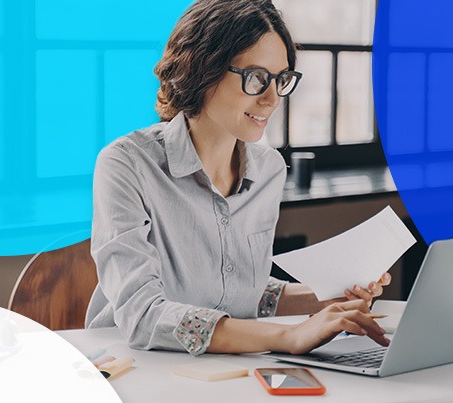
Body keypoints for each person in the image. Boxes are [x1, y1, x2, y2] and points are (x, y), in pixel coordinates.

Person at [86, 0, 391, 356]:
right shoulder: (126, 165)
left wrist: (327, 298)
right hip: (131, 366)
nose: (272, 98)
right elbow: (143, 315)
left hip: (226, 369)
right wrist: (289, 337)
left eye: (281, 80)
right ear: (203, 68)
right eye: (257, 78)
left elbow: (242, 292)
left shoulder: (269, 170)